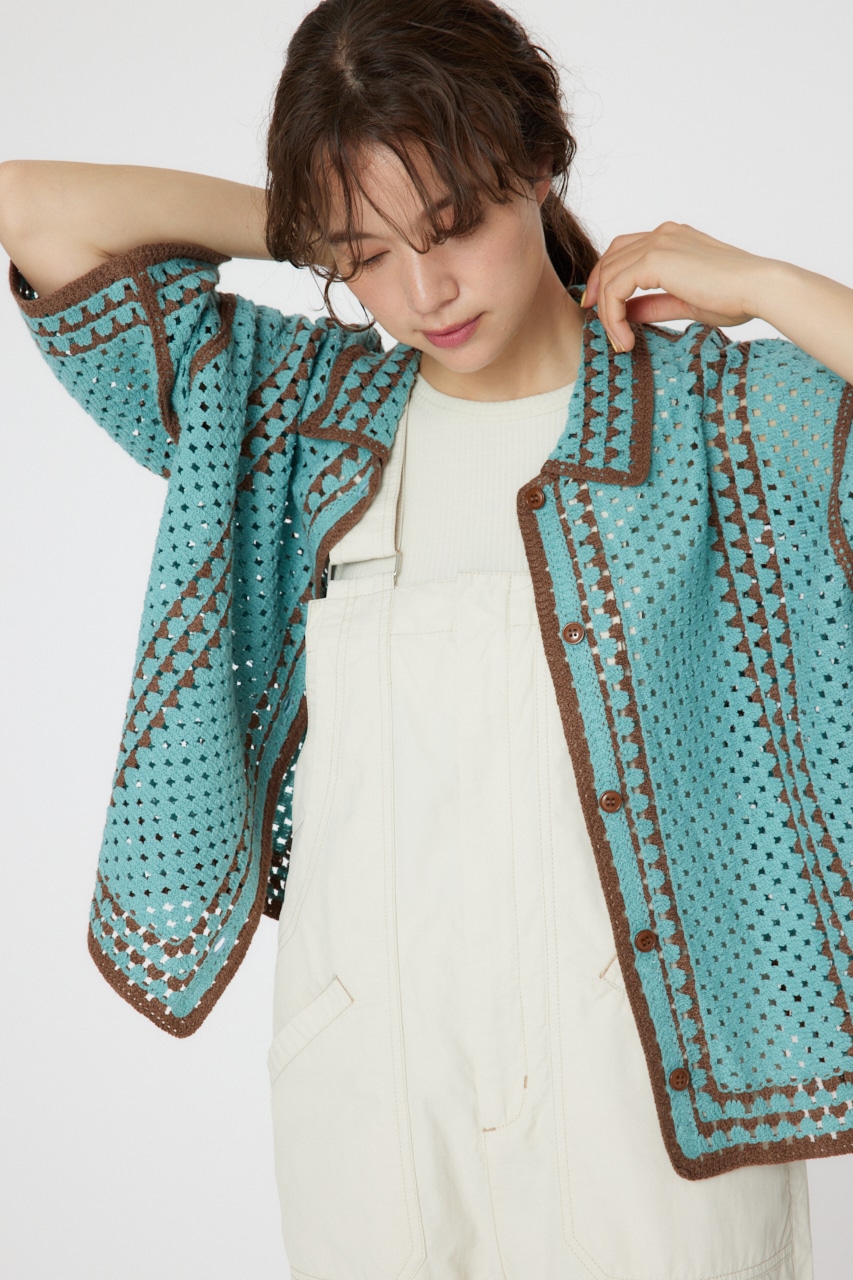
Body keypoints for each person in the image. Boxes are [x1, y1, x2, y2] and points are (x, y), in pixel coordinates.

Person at [2, 0, 851, 1275]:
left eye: (452, 225)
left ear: (539, 162)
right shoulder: (298, 410)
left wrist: (769, 287)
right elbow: (31, 209)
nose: (423, 291)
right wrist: (315, 213)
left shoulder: (719, 416)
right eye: (367, 258)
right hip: (374, 1064)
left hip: (641, 1072)